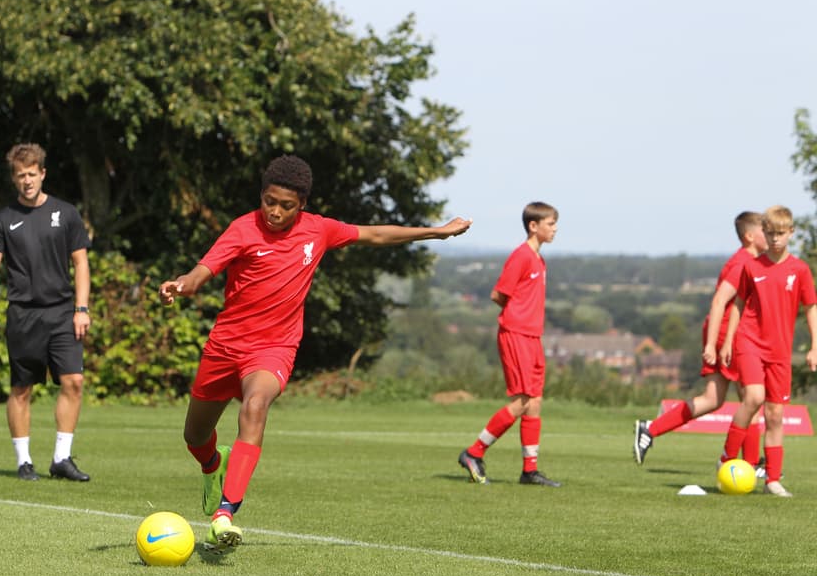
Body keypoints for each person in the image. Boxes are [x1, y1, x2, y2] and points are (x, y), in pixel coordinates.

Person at [159, 154, 471, 552]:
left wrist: (436, 232)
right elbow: (203, 270)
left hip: (274, 348)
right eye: (269, 201)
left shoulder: (318, 230)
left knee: (255, 406)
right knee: (194, 436)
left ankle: (225, 515)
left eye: (286, 205)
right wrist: (183, 284)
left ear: (302, 204)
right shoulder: (242, 228)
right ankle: (211, 465)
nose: (274, 211)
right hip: (225, 347)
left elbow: (375, 234)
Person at [0, 143, 93, 482]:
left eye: (32, 174)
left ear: (42, 173)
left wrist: (81, 309)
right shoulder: (3, 220)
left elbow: (81, 263)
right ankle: (24, 461)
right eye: (20, 175)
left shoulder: (66, 213)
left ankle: (61, 458)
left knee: (74, 381)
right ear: (14, 179)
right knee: (22, 388)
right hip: (23, 314)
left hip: (62, 313)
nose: (27, 180)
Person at [633, 212, 767, 465]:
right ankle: (751, 463)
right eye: (765, 230)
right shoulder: (742, 263)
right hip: (731, 336)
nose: (770, 235)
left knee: (712, 399)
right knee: (751, 399)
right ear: (749, 236)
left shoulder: (748, 261)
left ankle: (650, 429)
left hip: (726, 334)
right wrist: (713, 343)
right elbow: (719, 301)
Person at [458, 202, 561, 487]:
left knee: (535, 403)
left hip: (533, 337)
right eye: (551, 224)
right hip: (515, 334)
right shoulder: (521, 256)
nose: (555, 229)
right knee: (522, 401)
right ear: (533, 226)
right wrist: (516, 315)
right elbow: (498, 294)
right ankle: (473, 452)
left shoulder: (540, 260)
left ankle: (530, 470)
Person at [718, 205, 817, 497]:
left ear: (791, 233)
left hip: (780, 351)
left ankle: (772, 479)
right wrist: (727, 342)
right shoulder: (752, 266)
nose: (775, 240)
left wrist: (814, 346)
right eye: (770, 234)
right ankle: (727, 457)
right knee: (754, 398)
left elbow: (811, 307)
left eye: (780, 234)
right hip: (749, 341)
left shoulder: (799, 270)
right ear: (764, 232)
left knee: (775, 415)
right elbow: (737, 304)